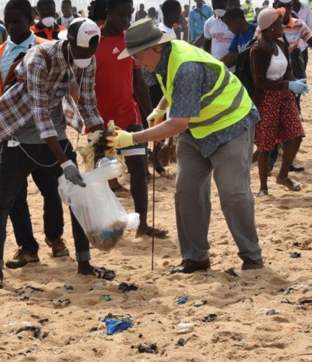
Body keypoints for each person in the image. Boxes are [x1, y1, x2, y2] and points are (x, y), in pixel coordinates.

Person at [106, 18, 263, 274]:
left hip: (231, 125)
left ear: (156, 47)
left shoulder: (186, 65)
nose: (135, 62)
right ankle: (195, 258)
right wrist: (160, 108)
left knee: (233, 192)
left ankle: (252, 256)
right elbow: (176, 91)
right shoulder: (161, 59)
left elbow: (177, 124)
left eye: (137, 55)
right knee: (186, 191)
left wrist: (132, 139)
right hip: (196, 130)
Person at [0, 18, 114, 293]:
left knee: (79, 197)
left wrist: (102, 141)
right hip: (20, 133)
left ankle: (85, 264)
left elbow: (88, 103)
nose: (85, 59)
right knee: (2, 202)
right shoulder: (39, 58)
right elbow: (40, 115)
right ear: (69, 43)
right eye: (80, 53)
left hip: (55, 135)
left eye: (90, 53)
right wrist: (65, 162)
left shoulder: (88, 59)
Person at [0, 0, 70, 267]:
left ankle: (55, 238)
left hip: (46, 136)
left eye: (17, 22)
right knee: (14, 197)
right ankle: (27, 247)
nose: (13, 27)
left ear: (30, 20)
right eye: (8, 23)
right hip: (14, 136)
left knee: (51, 190)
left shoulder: (48, 48)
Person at [96, 0, 166, 238]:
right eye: (121, 15)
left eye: (129, 14)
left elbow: (139, 83)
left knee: (138, 169)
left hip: (130, 117)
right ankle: (105, 224)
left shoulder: (130, 41)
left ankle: (143, 225)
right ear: (108, 13)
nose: (126, 20)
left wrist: (151, 116)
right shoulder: (92, 41)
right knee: (101, 174)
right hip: (101, 121)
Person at [249, 8, 307, 196]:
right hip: (267, 100)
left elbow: (287, 69)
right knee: (265, 146)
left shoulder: (281, 43)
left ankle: (283, 176)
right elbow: (260, 82)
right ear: (268, 28)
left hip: (285, 96)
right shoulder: (257, 50)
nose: (282, 27)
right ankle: (263, 188)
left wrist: (295, 81)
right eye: (277, 24)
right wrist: (287, 85)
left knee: (296, 135)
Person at [203, 0, 235, 66]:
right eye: (215, 6)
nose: (218, 9)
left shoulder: (236, 21)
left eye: (221, 6)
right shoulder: (209, 23)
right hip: (217, 67)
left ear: (228, 2)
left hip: (234, 68)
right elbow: (206, 45)